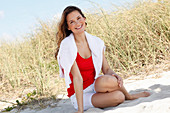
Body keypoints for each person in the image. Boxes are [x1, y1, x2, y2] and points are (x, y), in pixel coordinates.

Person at [55, 6, 150, 113]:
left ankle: (129, 96)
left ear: (84, 19)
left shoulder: (96, 42)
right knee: (119, 97)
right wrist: (80, 111)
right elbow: (77, 78)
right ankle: (121, 96)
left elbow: (107, 69)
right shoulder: (67, 46)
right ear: (68, 27)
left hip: (96, 84)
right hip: (80, 93)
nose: (77, 23)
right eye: (72, 22)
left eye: (79, 18)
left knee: (111, 80)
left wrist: (116, 76)